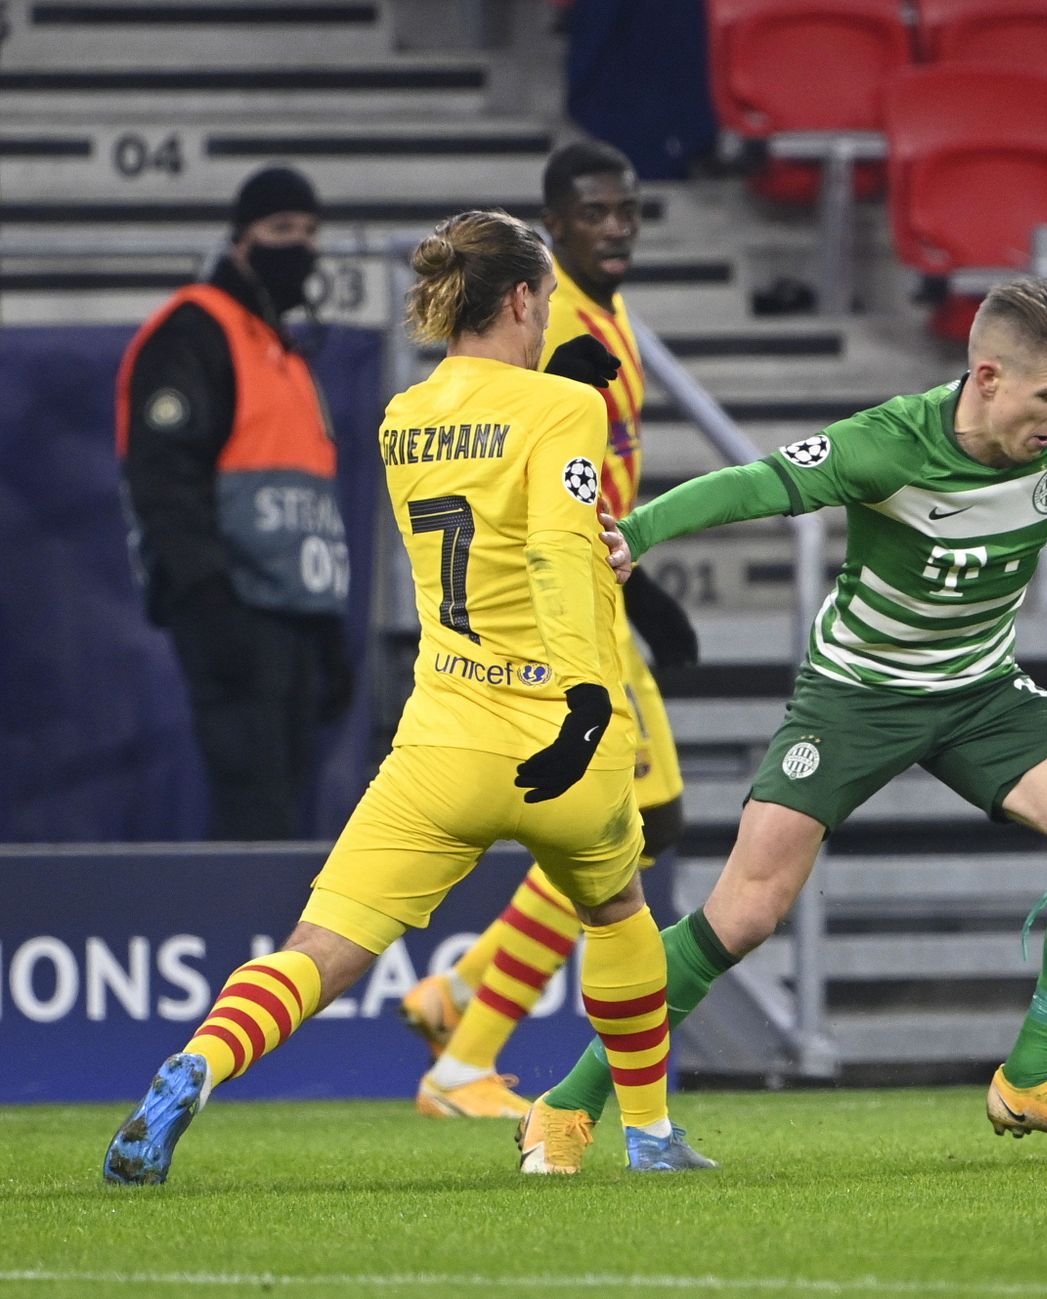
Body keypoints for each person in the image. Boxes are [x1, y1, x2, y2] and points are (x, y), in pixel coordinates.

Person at [513, 273, 1047, 1174]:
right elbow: (758, 482)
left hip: (981, 691)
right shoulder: (887, 445)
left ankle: (1034, 1074)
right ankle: (569, 1102)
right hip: (855, 696)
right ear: (987, 377)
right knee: (743, 914)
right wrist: (637, 531)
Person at [103, 208, 713, 1184]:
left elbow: (488, 466)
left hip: (441, 738)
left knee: (320, 948)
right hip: (560, 731)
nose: (553, 314)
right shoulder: (567, 410)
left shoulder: (403, 416)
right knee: (619, 912)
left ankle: (195, 1063)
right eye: (547, 299)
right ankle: (647, 1134)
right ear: (520, 298)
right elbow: (556, 553)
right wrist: (588, 702)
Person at [399, 140, 701, 1119]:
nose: (614, 228)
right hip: (568, 598)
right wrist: (637, 587)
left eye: (628, 211)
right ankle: (460, 1061)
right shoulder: (550, 314)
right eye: (595, 213)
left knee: (646, 827)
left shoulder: (604, 311)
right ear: (554, 224)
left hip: (596, 583)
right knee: (618, 833)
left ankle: (456, 998)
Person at [116, 164, 352, 840]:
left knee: (285, 807)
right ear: (240, 242)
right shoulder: (196, 330)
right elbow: (163, 478)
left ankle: (273, 943)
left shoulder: (288, 353)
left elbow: (310, 501)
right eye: (281, 229)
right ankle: (253, 945)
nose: (300, 245)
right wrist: (206, 597)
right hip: (235, 606)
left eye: (310, 231)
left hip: (298, 616)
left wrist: (329, 627)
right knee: (256, 807)